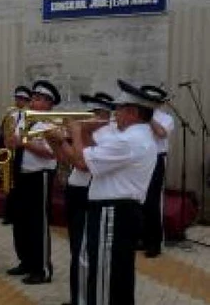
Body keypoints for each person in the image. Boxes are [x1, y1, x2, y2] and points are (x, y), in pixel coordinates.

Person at [46, 80, 158, 305]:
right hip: (117, 210)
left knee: (105, 276)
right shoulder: (135, 136)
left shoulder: (129, 140)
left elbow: (83, 162)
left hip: (113, 211)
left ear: (133, 112)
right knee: (116, 275)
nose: (115, 114)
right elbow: (91, 154)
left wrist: (75, 131)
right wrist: (82, 133)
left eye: (119, 109)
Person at [58, 92, 115, 305]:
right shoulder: (86, 132)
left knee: (84, 251)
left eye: (92, 113)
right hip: (75, 191)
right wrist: (56, 140)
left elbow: (83, 164)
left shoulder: (108, 136)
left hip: (88, 195)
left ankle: (85, 299)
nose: (86, 118)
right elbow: (66, 159)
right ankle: (77, 298)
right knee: (76, 249)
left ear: (104, 116)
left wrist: (72, 135)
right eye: (87, 113)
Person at [7, 80, 59, 285]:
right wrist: (12, 143)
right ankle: (26, 262)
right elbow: (16, 143)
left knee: (38, 223)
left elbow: (50, 153)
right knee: (20, 222)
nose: (32, 102)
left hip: (40, 175)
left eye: (37, 99)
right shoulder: (24, 120)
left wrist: (23, 143)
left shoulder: (52, 123)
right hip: (22, 174)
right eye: (33, 98)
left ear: (49, 103)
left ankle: (43, 269)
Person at [139, 85, 174, 258]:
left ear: (158, 103)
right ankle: (142, 238)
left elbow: (161, 133)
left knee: (152, 201)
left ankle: (155, 243)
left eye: (151, 101)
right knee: (139, 198)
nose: (148, 103)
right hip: (139, 158)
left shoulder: (166, 118)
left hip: (156, 158)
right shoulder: (139, 116)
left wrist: (149, 118)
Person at [0, 86, 31, 225]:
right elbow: (4, 131)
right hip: (9, 150)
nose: (19, 101)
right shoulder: (10, 114)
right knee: (9, 183)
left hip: (21, 151)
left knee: (18, 183)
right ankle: (8, 213)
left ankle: (18, 213)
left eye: (23, 99)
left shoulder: (29, 115)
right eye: (18, 98)